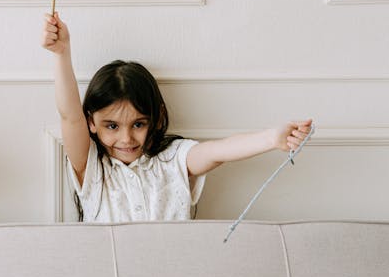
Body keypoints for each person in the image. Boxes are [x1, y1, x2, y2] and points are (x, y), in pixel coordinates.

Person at [41, 12, 313, 222]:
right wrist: (62, 54)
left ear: (157, 119)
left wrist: (271, 138)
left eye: (138, 124)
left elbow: (220, 151)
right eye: (112, 126)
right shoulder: (93, 170)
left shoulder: (173, 159)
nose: (125, 138)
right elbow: (69, 117)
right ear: (92, 123)